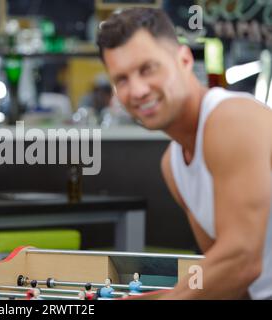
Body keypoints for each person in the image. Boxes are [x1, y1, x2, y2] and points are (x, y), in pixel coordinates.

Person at [97, 8, 272, 299]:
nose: (137, 90)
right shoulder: (174, 163)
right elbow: (220, 272)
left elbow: (242, 261)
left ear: (184, 59)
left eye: (147, 69)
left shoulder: (230, 117)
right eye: (122, 79)